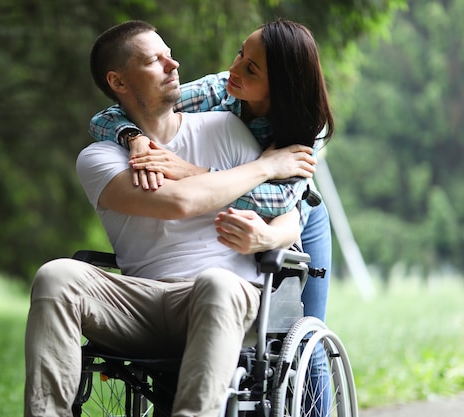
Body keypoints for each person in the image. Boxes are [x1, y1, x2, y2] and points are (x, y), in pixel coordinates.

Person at [24, 20, 317, 417]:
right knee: (56, 275)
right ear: (119, 82)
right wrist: (265, 167)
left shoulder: (227, 128)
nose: (174, 63)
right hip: (140, 302)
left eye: (169, 53)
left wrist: (264, 236)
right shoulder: (99, 157)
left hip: (223, 295)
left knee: (222, 285)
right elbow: (178, 202)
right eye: (154, 60)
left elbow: (290, 218)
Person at [88, 18, 333, 325]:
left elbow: (280, 201)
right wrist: (132, 137)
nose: (234, 69)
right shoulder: (218, 91)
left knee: (305, 327)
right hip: (240, 200)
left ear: (281, 86)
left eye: (251, 69)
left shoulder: (305, 125)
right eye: (240, 54)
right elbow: (109, 116)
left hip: (298, 217)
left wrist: (190, 173)